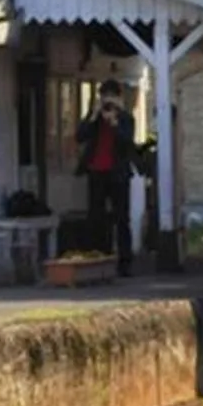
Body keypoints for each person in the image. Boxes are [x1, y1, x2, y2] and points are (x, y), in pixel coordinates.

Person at [74, 80, 138, 275]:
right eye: (104, 97)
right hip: (97, 171)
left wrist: (114, 122)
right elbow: (80, 136)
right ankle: (98, 258)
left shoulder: (126, 119)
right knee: (96, 217)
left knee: (121, 219)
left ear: (118, 99)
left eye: (110, 97)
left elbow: (127, 141)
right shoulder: (95, 119)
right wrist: (93, 116)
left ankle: (125, 263)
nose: (107, 102)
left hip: (118, 174)